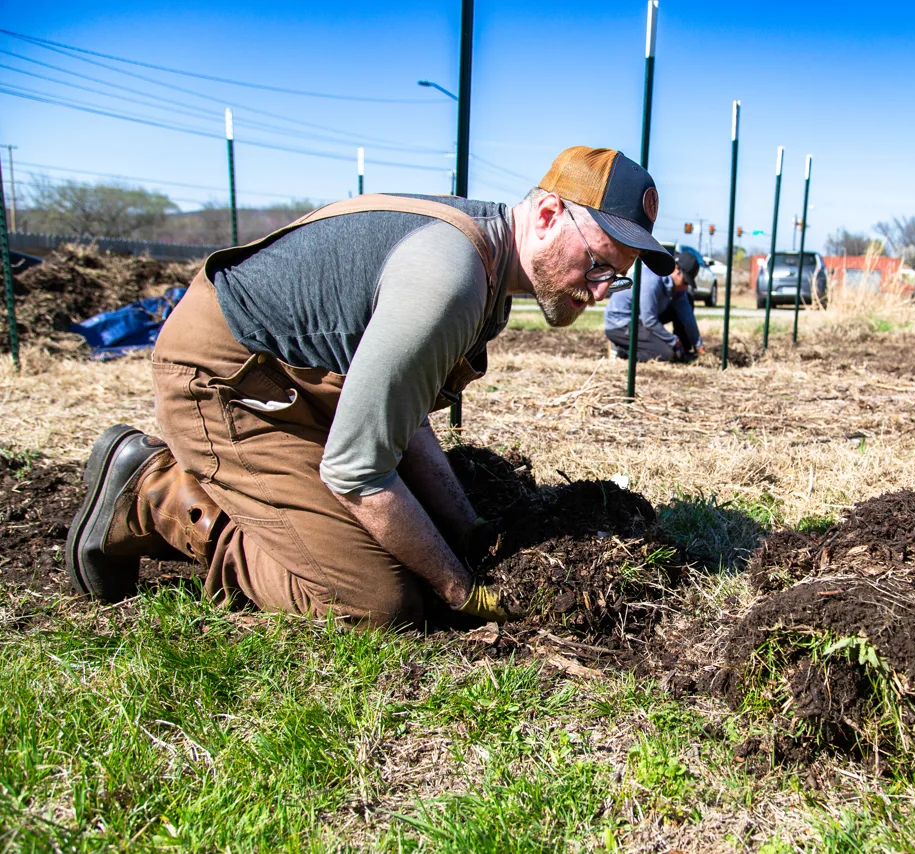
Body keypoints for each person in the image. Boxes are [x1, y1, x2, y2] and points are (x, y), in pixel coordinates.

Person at [64, 146, 673, 629]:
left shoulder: (486, 266)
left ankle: (257, 497)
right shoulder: (453, 278)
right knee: (376, 600)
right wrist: (460, 591)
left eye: (615, 279)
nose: (599, 291)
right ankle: (156, 494)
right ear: (546, 216)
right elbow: (356, 472)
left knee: (409, 543)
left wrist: (468, 531)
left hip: (297, 379)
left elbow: (398, 415)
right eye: (597, 264)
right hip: (225, 379)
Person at [604, 250, 704, 362]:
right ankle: (621, 351)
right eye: (685, 281)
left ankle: (683, 351)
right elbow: (649, 320)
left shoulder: (677, 289)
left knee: (688, 299)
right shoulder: (652, 281)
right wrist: (672, 340)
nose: (685, 288)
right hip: (621, 324)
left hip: (642, 319)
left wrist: (698, 345)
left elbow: (687, 316)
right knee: (666, 354)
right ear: (676, 269)